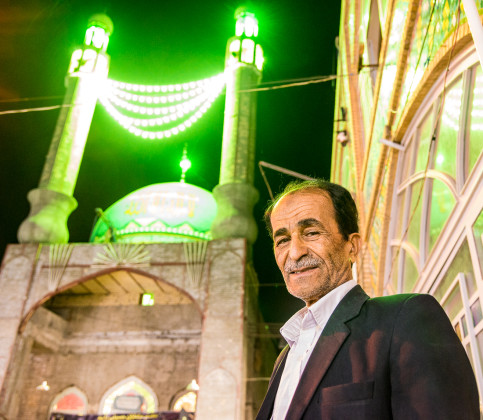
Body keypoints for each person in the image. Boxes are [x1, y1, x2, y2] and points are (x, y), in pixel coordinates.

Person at [256, 179, 479, 420]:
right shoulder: (286, 356)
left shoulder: (404, 319)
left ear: (352, 246)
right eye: (282, 240)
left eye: (311, 233)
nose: (295, 252)